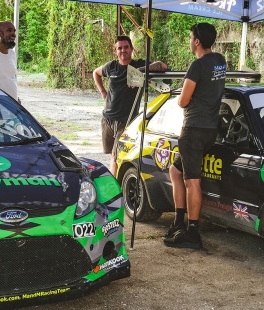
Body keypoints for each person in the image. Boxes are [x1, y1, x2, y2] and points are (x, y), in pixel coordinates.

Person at [165, 23, 226, 250]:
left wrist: (184, 93)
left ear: (197, 41)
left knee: (192, 182)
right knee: (175, 170)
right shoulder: (220, 61)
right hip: (210, 130)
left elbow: (182, 101)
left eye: (191, 37)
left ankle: (192, 232)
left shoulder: (197, 65)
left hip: (193, 130)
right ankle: (179, 221)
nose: (190, 41)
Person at [93, 35, 168, 176]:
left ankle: (115, 192)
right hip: (108, 119)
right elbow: (95, 73)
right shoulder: (111, 66)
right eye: (119, 48)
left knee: (117, 157)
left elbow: (163, 66)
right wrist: (103, 91)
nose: (123, 51)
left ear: (132, 49)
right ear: (115, 51)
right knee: (112, 156)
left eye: (126, 47)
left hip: (127, 120)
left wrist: (142, 70)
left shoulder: (139, 64)